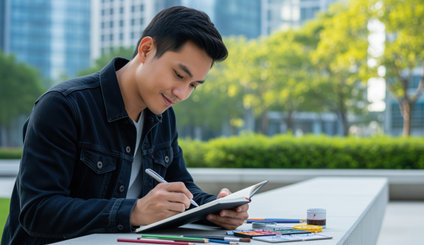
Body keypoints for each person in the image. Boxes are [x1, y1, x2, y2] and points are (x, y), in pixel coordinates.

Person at [1, 6, 249, 245]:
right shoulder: (63, 106)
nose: (182, 93)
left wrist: (216, 208)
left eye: (193, 85)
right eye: (179, 75)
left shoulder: (163, 115)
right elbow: (38, 211)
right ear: (146, 49)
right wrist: (134, 211)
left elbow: (181, 185)